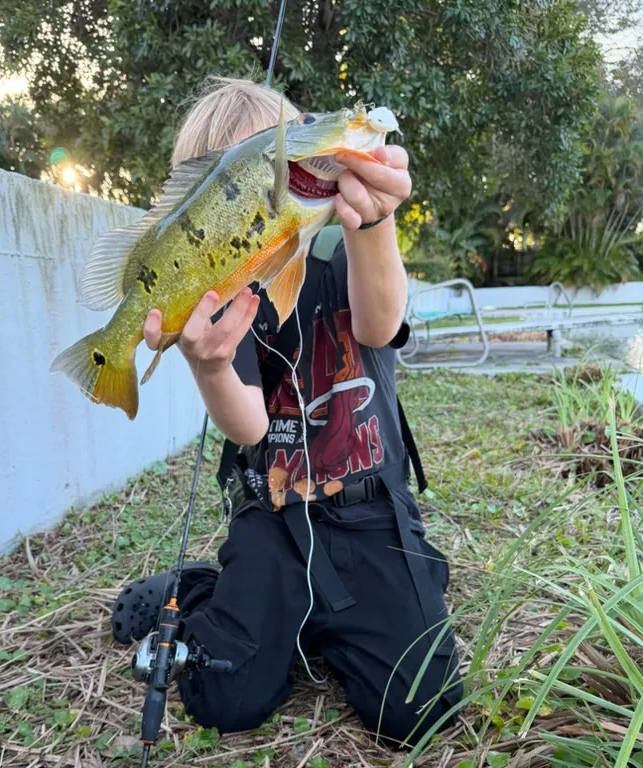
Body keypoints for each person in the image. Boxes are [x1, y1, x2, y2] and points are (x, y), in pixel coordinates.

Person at [112, 76, 462, 747]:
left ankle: (362, 601)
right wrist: (209, 362)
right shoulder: (221, 295)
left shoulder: (339, 248)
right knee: (223, 697)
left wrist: (377, 219)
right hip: (271, 516)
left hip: (369, 512)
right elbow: (247, 427)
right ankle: (202, 589)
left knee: (424, 710)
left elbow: (381, 322)